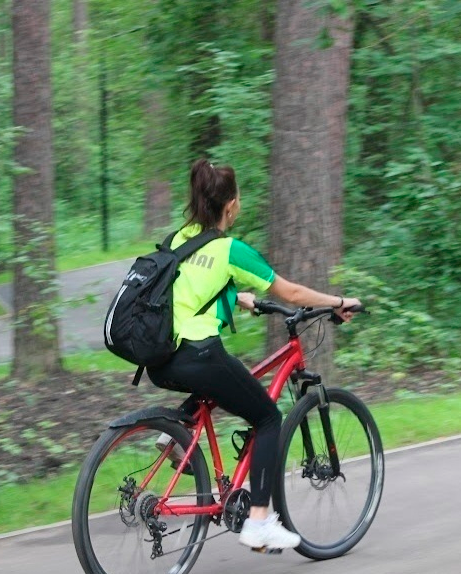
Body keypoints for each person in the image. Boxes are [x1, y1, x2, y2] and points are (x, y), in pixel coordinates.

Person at [147, 158, 362, 551]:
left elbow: (191, 285)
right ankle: (259, 521)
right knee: (267, 416)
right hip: (198, 353)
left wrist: (236, 296)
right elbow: (292, 294)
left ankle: (181, 430)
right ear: (231, 205)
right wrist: (338, 302)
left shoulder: (180, 238)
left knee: (222, 381)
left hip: (160, 358)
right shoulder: (231, 249)